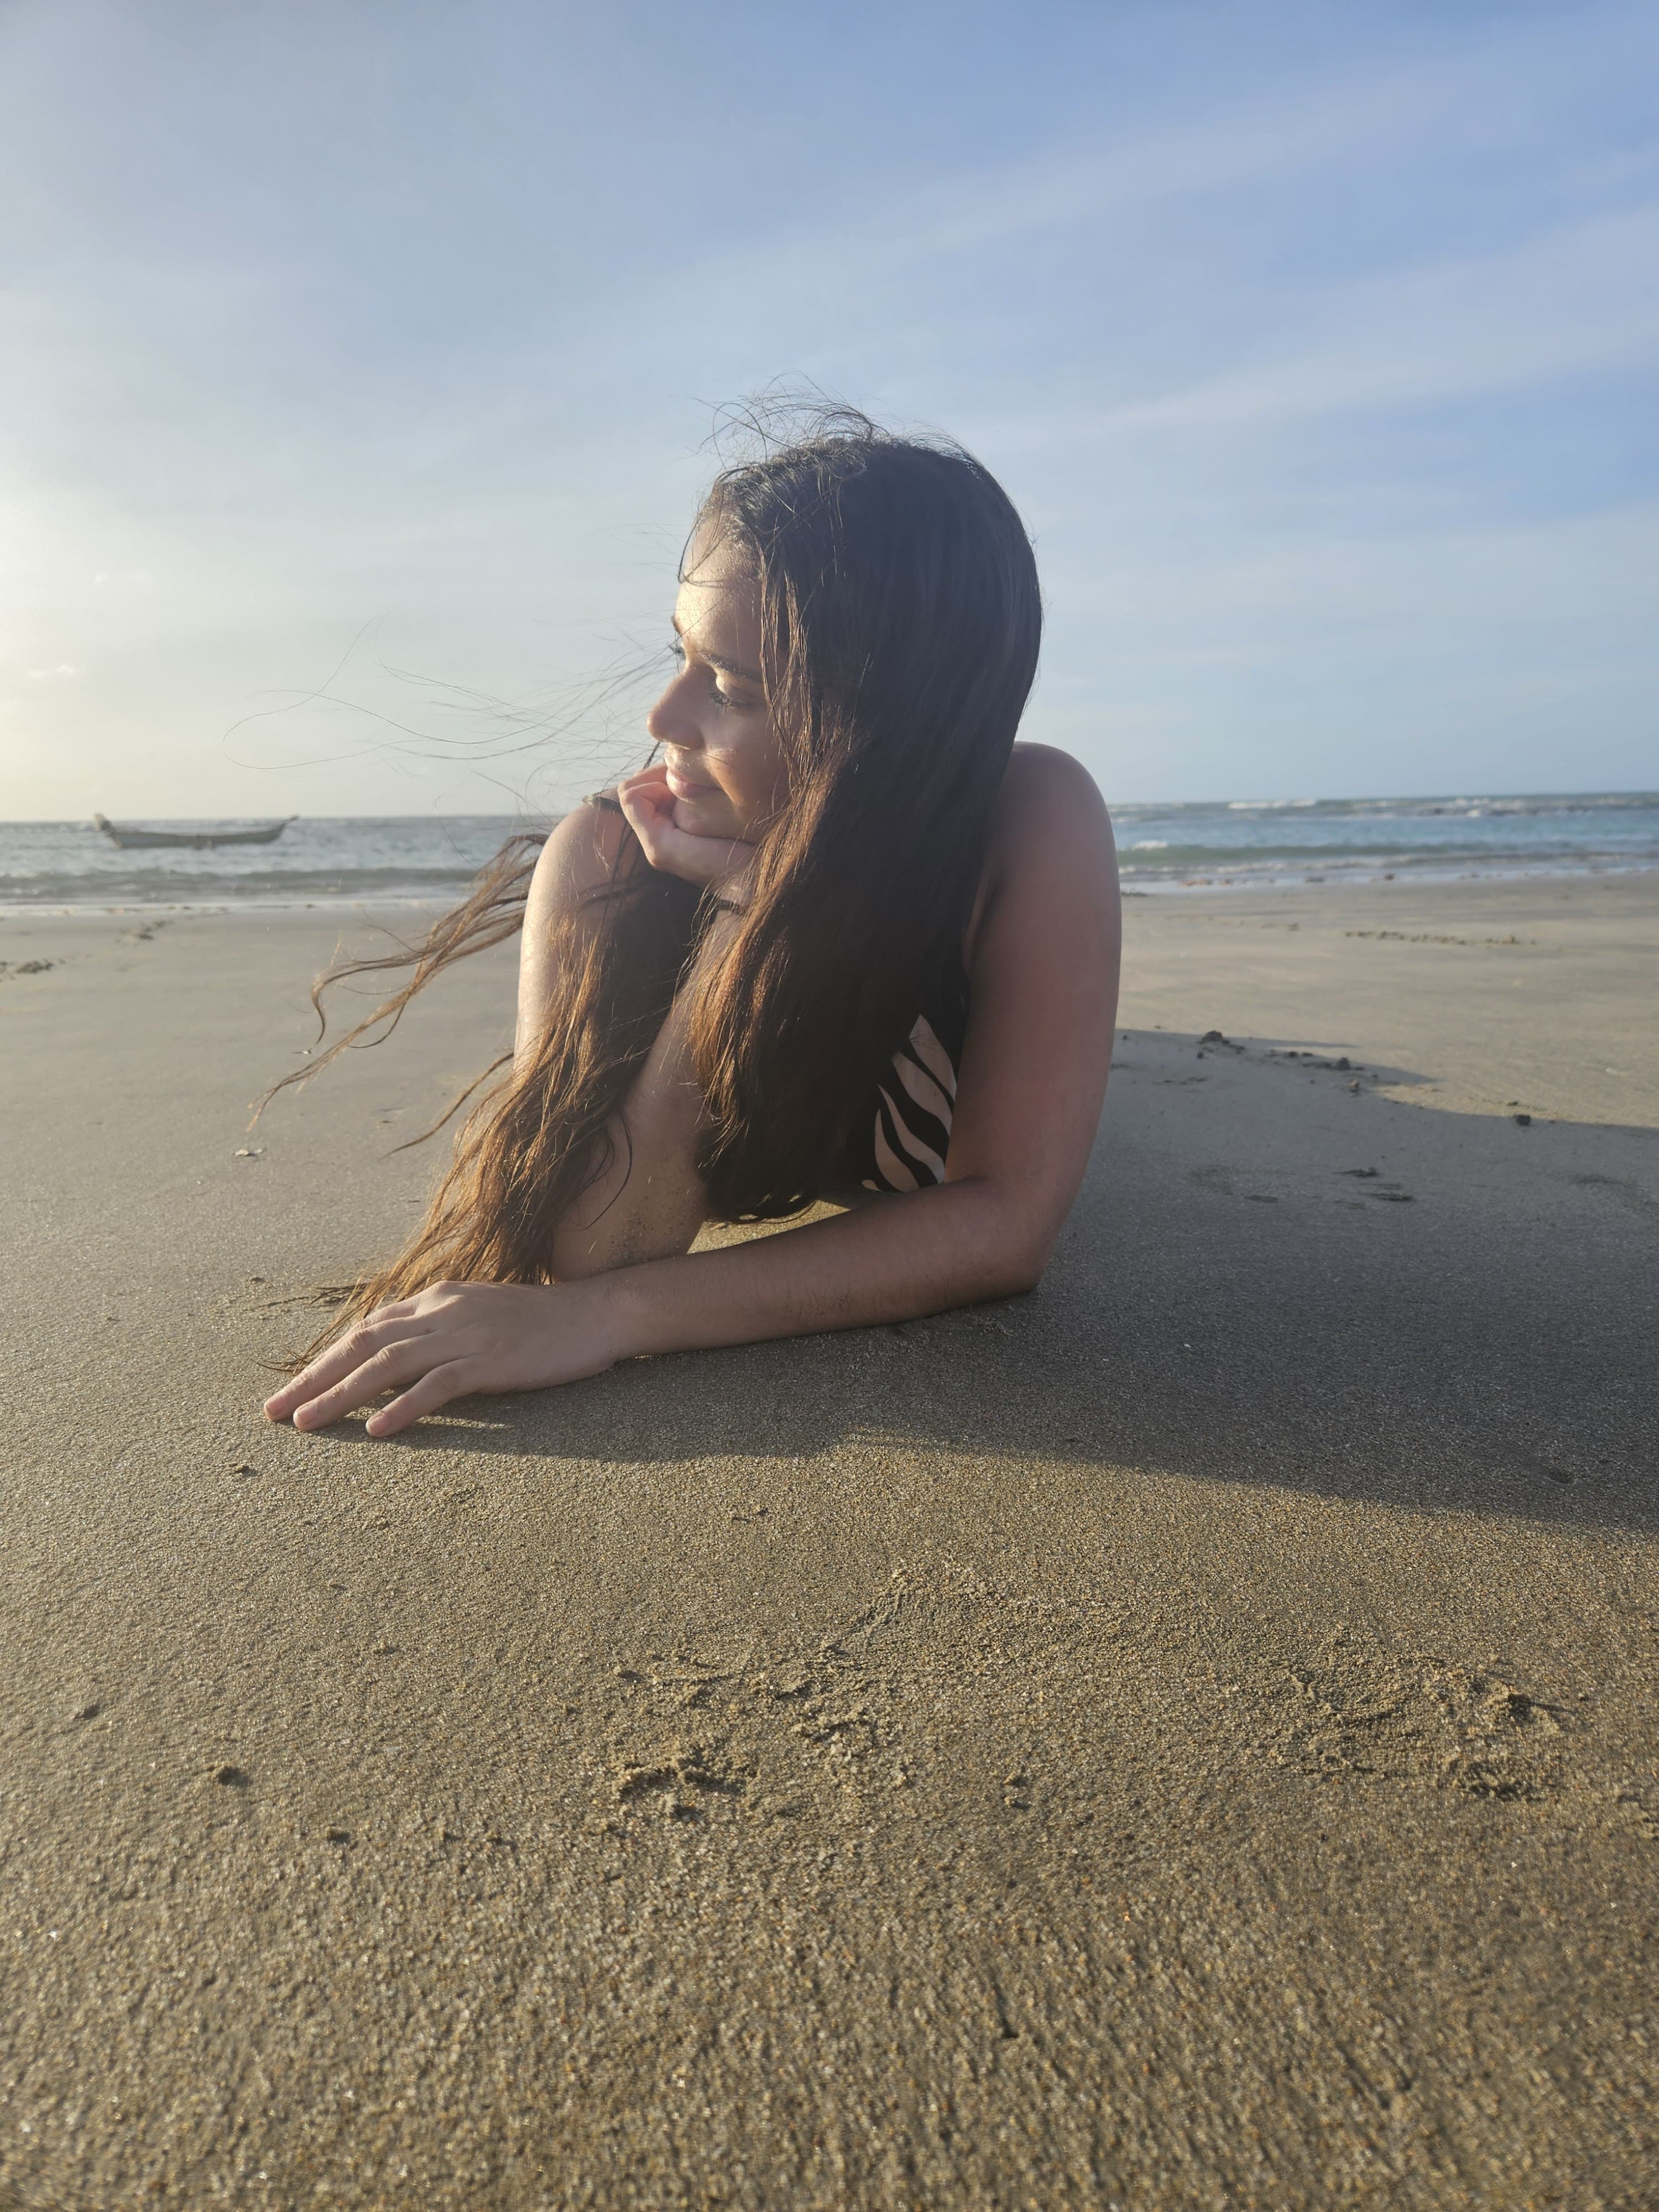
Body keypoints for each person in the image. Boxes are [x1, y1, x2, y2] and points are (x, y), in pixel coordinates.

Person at [263, 407, 1121, 1441]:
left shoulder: (1025, 823)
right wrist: (740, 914)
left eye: (733, 688)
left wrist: (610, 1320)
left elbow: (1005, 1225)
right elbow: (601, 1241)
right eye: (680, 655)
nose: (662, 720)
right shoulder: (610, 865)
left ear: (891, 732)